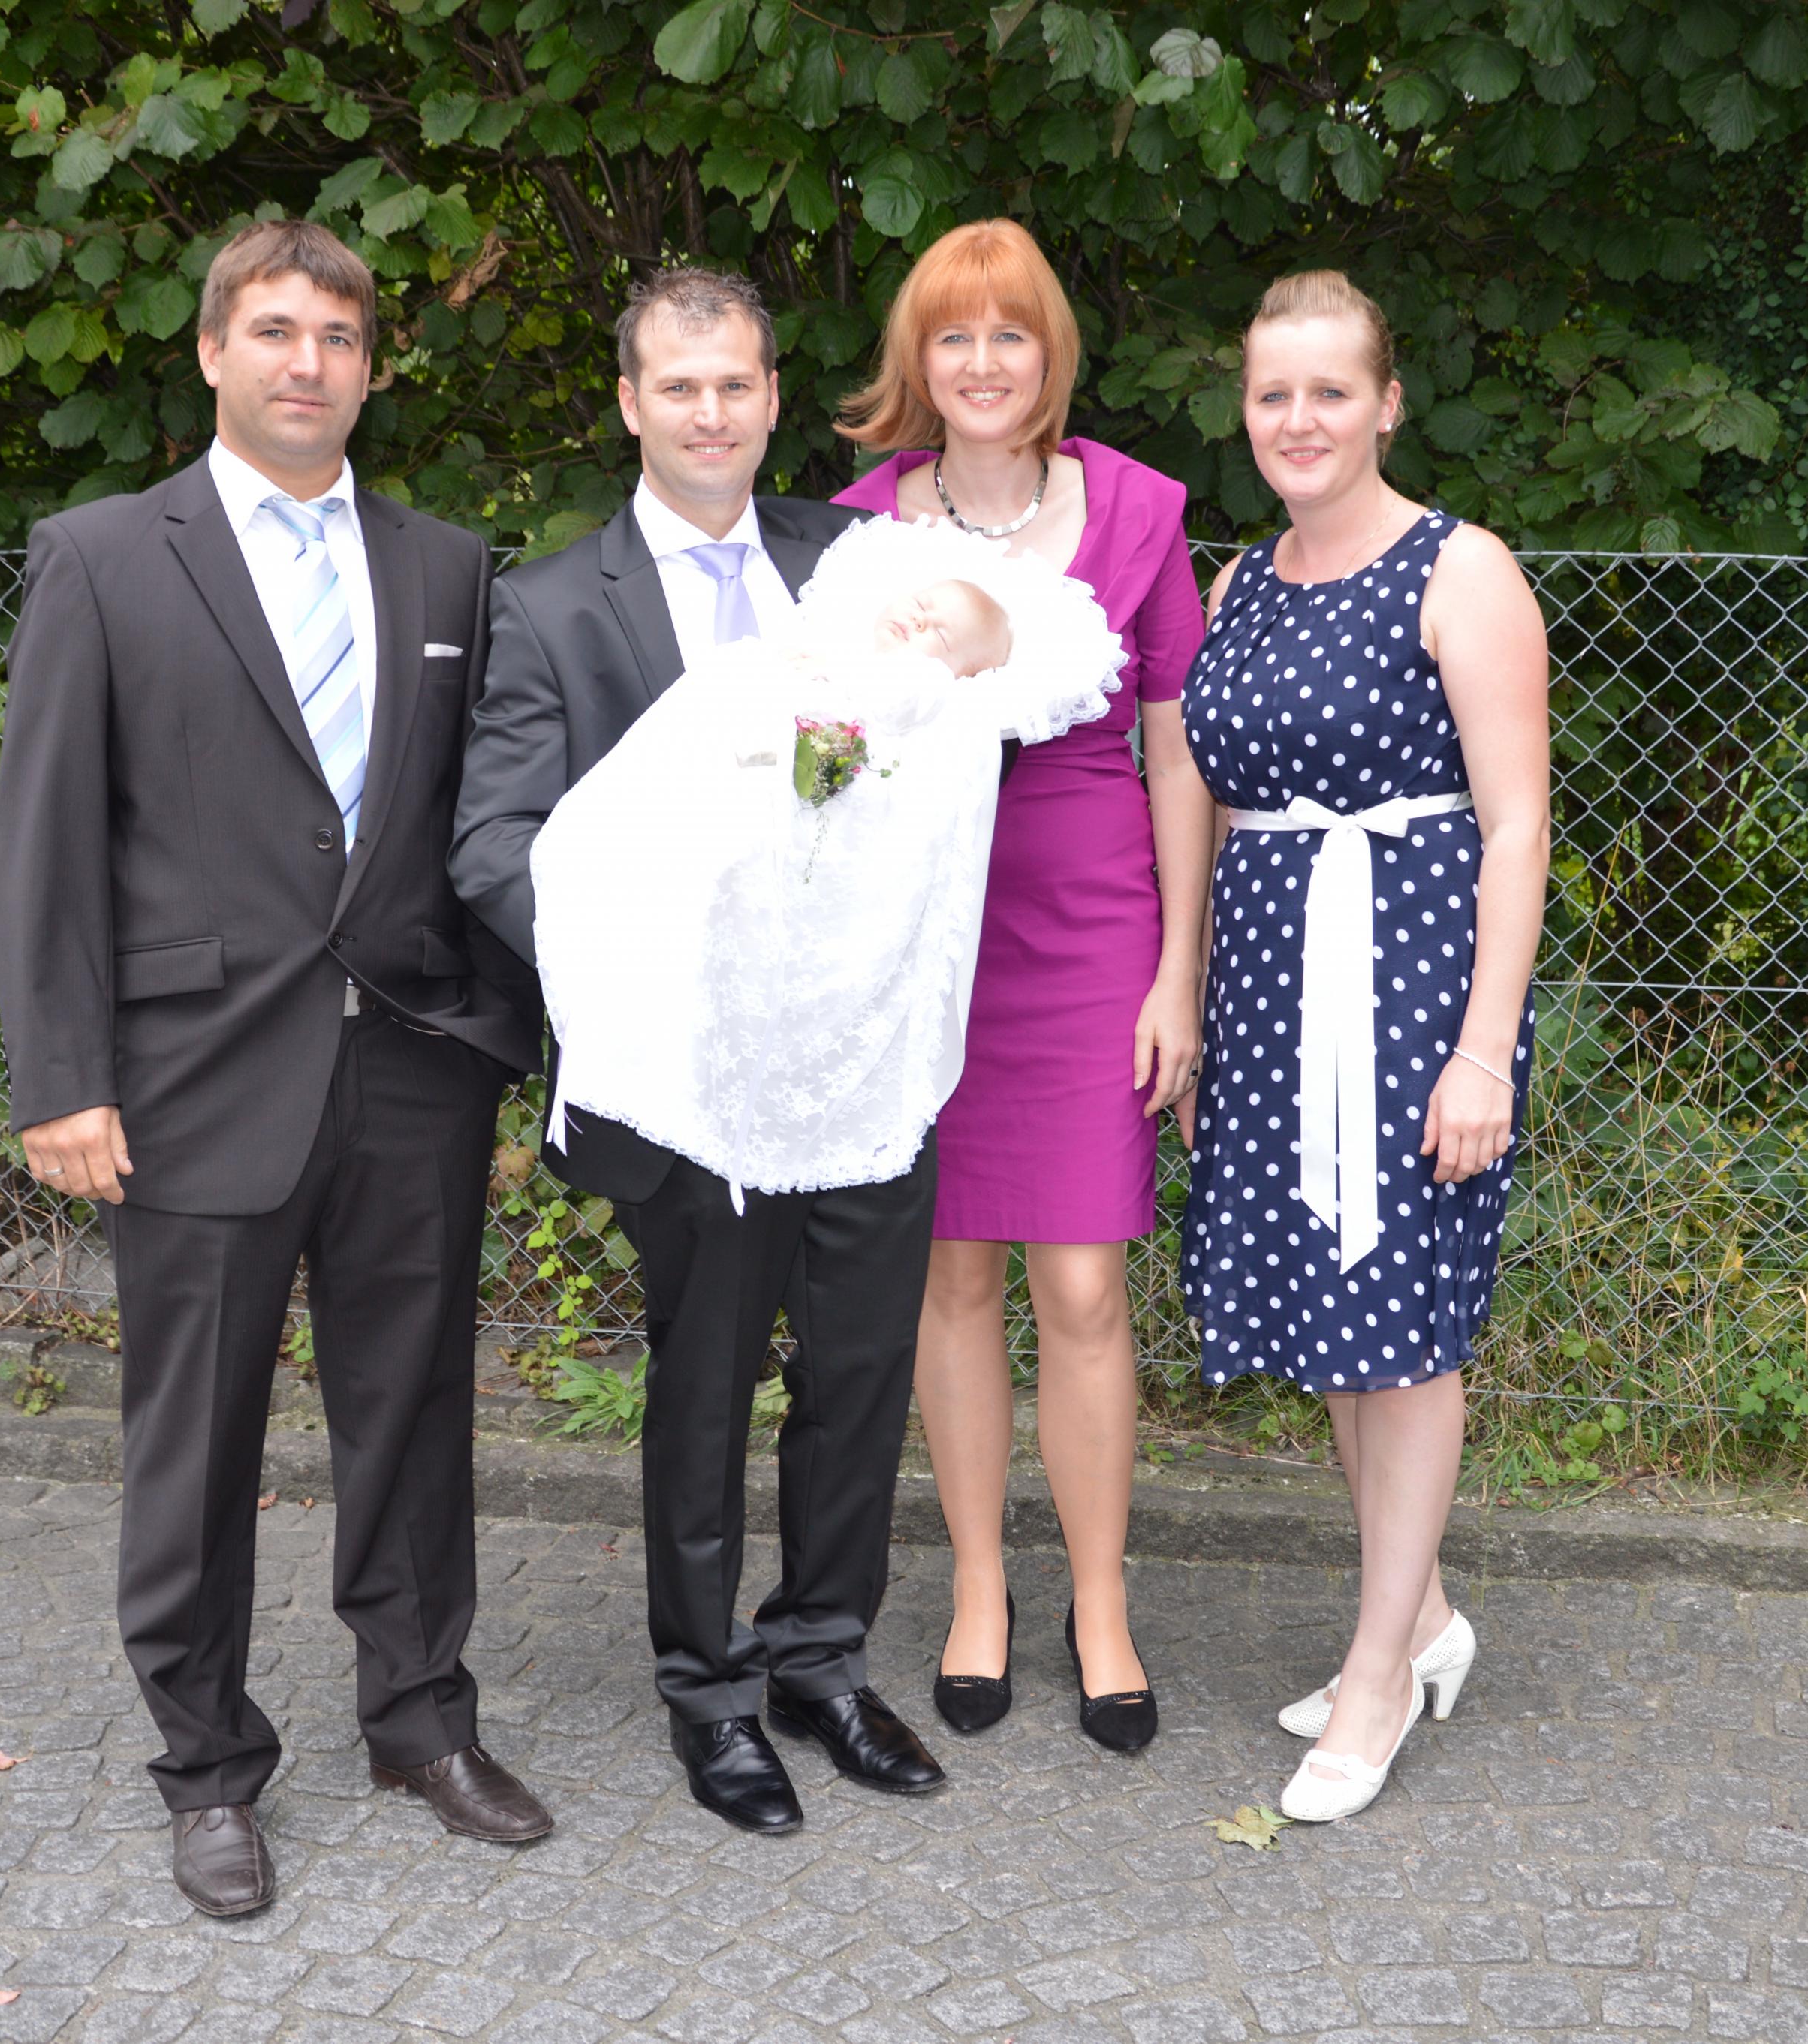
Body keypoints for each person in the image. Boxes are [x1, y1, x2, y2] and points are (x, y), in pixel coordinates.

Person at [0, 221, 555, 1916]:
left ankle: (421, 1719)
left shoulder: (447, 569)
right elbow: (47, 838)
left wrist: (499, 1032)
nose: (307, 361)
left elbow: (479, 818)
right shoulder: (105, 557)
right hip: (188, 1079)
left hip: (412, 1071)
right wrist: (61, 1076)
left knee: (415, 1418)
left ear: (373, 368)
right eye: (275, 329)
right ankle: (208, 1765)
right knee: (194, 1440)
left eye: (338, 336)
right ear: (212, 352)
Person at [451, 267, 946, 1835]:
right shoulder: (547, 605)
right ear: (630, 402)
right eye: (679, 385)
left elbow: (935, 751)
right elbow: (496, 847)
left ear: (773, 395)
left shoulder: (851, 563)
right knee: (709, 1379)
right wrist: (647, 977)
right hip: (688, 1080)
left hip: (858, 1061)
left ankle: (822, 1657)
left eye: (735, 382)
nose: (710, 411)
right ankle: (709, 1687)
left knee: (860, 1369)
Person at [830, 218, 1213, 1754]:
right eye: (952, 335)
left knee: (1083, 1284)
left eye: (1009, 333)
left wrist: (1179, 967)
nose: (981, 363)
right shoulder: (858, 527)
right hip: (925, 930)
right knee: (950, 1274)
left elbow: (1177, 747)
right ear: (915, 362)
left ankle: (1100, 1598)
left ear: (1049, 352)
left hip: (1090, 919)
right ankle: (980, 1583)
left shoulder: (1136, 509)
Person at [1179, 271, 1551, 1823]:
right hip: (1273, 993)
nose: (1299, 418)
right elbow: (1213, 811)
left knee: (1401, 1328)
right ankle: (1427, 1613)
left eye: (1329, 389)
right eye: (1273, 393)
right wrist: (1198, 1007)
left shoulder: (1459, 568)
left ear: (1386, 403)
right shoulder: (1238, 583)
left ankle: (1377, 1670)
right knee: (1331, 1313)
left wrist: (1483, 1052)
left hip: (1408, 991)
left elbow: (1516, 823)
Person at [530, 519, 1125, 1209]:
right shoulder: (816, 643)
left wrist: (833, 684)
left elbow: (899, 708)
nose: (919, 618)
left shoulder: (928, 706)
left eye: (940, 634)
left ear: (966, 676)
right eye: (921, 601)